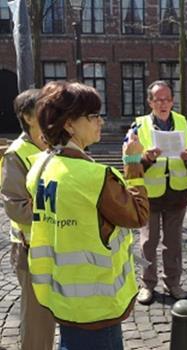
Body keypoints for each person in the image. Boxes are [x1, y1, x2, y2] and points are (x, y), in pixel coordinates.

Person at [26, 81, 149, 350]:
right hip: (96, 303)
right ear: (69, 124)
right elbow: (138, 215)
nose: (100, 121)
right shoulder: (96, 177)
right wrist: (132, 164)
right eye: (93, 116)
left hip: (61, 293)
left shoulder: (40, 166)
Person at [133, 80, 187, 304]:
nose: (163, 103)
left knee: (173, 243)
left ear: (172, 101)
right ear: (150, 102)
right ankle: (146, 283)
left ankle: (173, 282)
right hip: (150, 196)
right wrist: (146, 158)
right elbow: (129, 162)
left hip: (176, 195)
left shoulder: (184, 122)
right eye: (158, 99)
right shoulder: (138, 126)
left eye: (167, 99)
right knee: (147, 243)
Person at [0, 89, 56, 350]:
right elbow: (16, 207)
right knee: (37, 319)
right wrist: (58, 209)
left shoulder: (53, 144)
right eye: (42, 108)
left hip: (58, 244)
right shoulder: (16, 153)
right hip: (29, 248)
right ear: (27, 117)